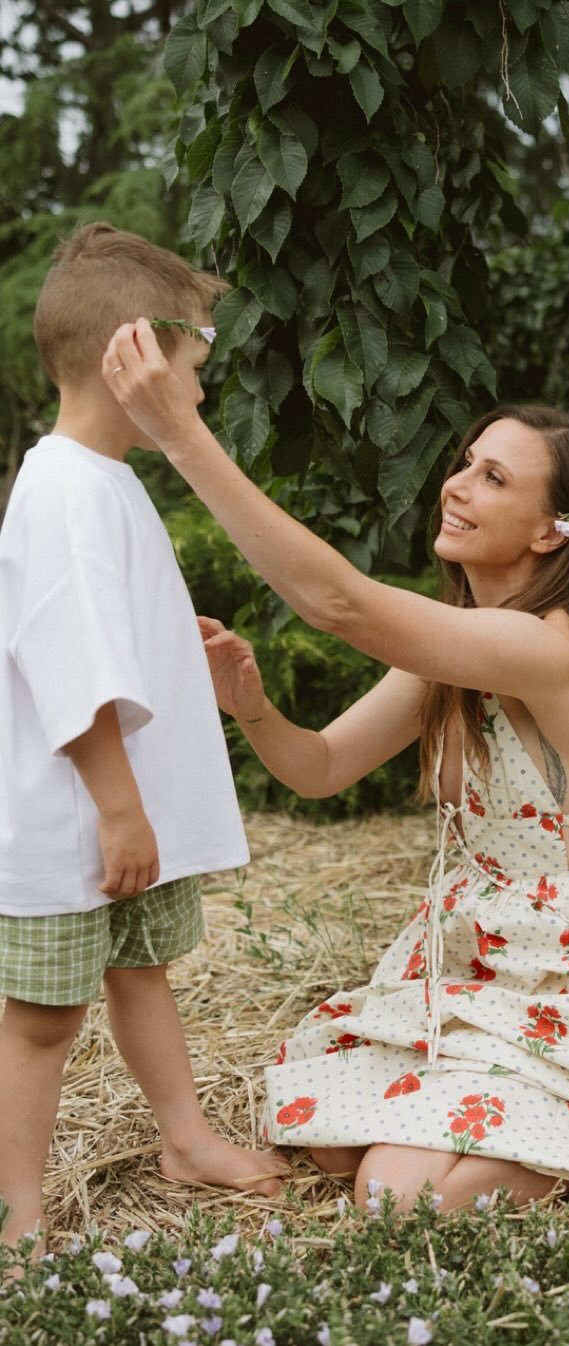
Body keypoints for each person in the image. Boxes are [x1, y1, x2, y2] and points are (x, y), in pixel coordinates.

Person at [103, 317, 569, 1212]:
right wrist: (254, 707)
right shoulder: (455, 655)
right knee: (328, 1148)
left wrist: (181, 435)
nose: (457, 486)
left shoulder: (559, 649)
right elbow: (317, 769)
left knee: (395, 1194)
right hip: (483, 954)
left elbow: (338, 602)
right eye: (465, 464)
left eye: (494, 477)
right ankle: (518, 1132)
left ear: (552, 532)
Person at [0, 225, 287, 1257]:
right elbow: (68, 669)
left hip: (124, 812)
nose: (200, 394)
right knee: (40, 1017)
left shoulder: (105, 480)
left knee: (139, 971)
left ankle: (185, 1135)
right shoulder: (65, 490)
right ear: (135, 355)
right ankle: (16, 1210)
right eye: (196, 366)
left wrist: (176, 647)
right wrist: (120, 807)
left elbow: (109, 637)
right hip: (83, 816)